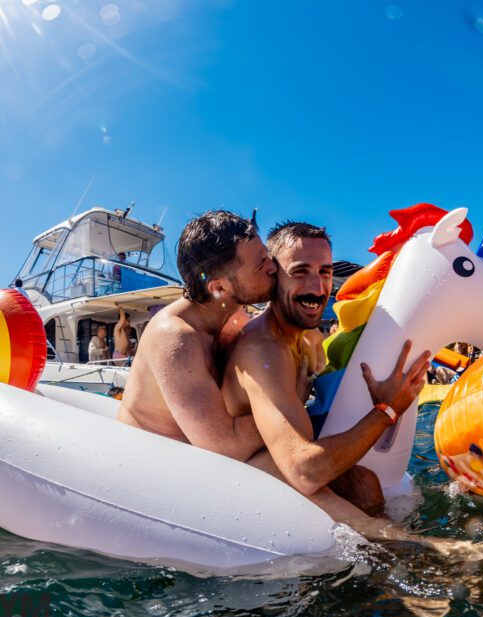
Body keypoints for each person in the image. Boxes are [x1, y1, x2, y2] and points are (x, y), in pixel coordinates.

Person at [221, 221, 431, 533]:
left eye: (325, 272)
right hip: (251, 482)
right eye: (301, 271)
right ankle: (427, 553)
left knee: (364, 484)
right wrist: (386, 409)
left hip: (283, 460)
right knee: (374, 503)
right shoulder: (263, 350)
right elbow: (304, 470)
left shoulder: (301, 338)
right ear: (273, 276)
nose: (318, 288)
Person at [117, 210, 277, 459]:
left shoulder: (231, 320)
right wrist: (292, 401)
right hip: (151, 463)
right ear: (220, 287)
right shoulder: (175, 338)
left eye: (268, 257)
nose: (273, 268)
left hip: (196, 457)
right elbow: (226, 445)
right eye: (261, 265)